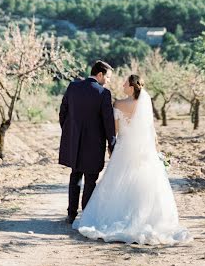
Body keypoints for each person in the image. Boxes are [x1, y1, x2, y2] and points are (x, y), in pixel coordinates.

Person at [72, 75, 190, 245]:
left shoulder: (119, 104)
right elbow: (151, 131)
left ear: (132, 87)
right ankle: (143, 218)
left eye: (125, 82)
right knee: (143, 184)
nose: (122, 84)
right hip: (143, 152)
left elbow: (116, 130)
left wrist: (110, 146)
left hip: (123, 149)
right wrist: (156, 152)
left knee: (118, 183)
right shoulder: (144, 105)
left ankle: (118, 217)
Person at [58, 60, 116, 224]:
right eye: (108, 77)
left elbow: (63, 113)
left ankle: (71, 214)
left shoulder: (73, 87)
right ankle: (86, 216)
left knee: (75, 176)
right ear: (100, 75)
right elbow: (108, 124)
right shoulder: (103, 94)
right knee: (91, 180)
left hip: (74, 143)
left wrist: (70, 133)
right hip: (94, 145)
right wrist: (112, 145)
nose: (108, 81)